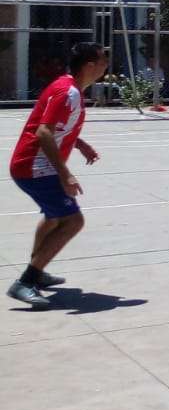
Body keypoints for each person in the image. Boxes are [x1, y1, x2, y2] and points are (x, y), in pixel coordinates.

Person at [8, 43, 108, 309]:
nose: (106, 66)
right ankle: (26, 281)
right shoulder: (68, 92)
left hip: (32, 165)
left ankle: (37, 270)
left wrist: (79, 143)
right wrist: (66, 175)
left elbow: (58, 127)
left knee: (54, 217)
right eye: (103, 61)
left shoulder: (67, 86)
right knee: (73, 221)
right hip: (35, 167)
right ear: (90, 65)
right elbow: (44, 132)